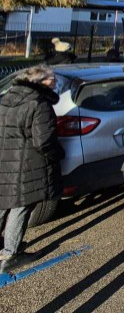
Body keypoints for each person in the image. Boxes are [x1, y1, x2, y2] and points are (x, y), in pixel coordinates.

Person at [0, 65, 62, 273]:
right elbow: (44, 141)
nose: (54, 81)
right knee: (21, 206)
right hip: (27, 164)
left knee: (3, 204)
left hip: (6, 160)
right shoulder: (39, 103)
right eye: (51, 78)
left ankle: (7, 247)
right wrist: (57, 155)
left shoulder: (8, 97)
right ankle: (11, 254)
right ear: (39, 81)